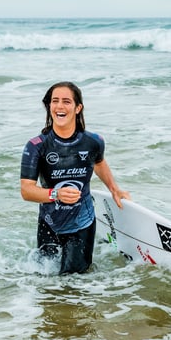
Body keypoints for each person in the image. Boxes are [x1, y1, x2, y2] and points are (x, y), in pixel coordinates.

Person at [20, 81, 130, 274]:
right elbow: (26, 190)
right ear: (49, 106)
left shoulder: (93, 142)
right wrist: (56, 194)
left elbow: (99, 163)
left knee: (74, 282)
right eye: (55, 101)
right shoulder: (36, 146)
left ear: (78, 108)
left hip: (82, 223)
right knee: (45, 280)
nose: (60, 106)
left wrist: (114, 189)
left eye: (66, 101)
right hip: (49, 223)